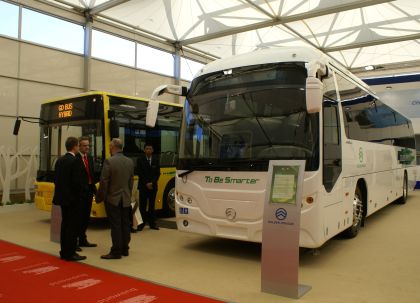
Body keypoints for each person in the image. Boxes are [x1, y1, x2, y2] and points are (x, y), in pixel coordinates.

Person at [96, 138, 134, 259]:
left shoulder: (109, 161)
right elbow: (131, 181)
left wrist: (100, 197)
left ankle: (116, 251)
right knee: (125, 224)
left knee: (116, 225)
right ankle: (125, 249)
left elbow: (104, 182)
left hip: (113, 199)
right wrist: (127, 194)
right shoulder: (129, 161)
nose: (109, 148)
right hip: (126, 198)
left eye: (110, 146)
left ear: (113, 147)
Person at [52, 136, 86, 261]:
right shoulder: (75, 161)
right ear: (75, 146)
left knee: (65, 225)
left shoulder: (59, 160)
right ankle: (71, 253)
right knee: (72, 226)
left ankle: (64, 251)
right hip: (73, 200)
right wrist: (82, 195)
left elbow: (56, 179)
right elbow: (78, 182)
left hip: (62, 199)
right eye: (78, 145)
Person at [76, 136, 97, 248]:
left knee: (85, 217)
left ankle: (83, 239)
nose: (87, 147)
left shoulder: (89, 158)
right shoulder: (75, 158)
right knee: (78, 218)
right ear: (79, 146)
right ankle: (76, 241)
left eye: (88, 145)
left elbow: (91, 175)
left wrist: (95, 191)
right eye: (84, 145)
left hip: (89, 191)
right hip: (80, 193)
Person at [137, 143, 161, 230]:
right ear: (144, 150)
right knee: (142, 206)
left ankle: (152, 224)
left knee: (152, 206)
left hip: (153, 187)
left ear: (152, 150)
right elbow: (140, 173)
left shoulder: (156, 160)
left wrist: (152, 183)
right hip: (143, 186)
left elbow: (157, 173)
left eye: (150, 149)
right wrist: (146, 183)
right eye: (147, 149)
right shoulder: (140, 160)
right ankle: (141, 224)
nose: (148, 150)